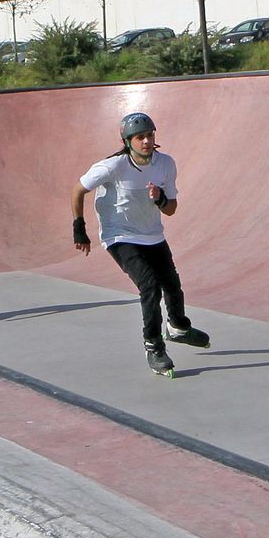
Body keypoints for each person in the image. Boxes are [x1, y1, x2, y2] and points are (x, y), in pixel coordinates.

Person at [72, 111, 208, 376]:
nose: (146, 141)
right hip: (119, 236)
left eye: (150, 135)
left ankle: (179, 328)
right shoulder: (112, 167)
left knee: (172, 284)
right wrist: (79, 228)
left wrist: (159, 199)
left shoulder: (165, 164)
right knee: (150, 285)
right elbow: (77, 190)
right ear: (127, 141)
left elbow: (171, 210)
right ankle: (154, 346)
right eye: (140, 137)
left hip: (152, 234)